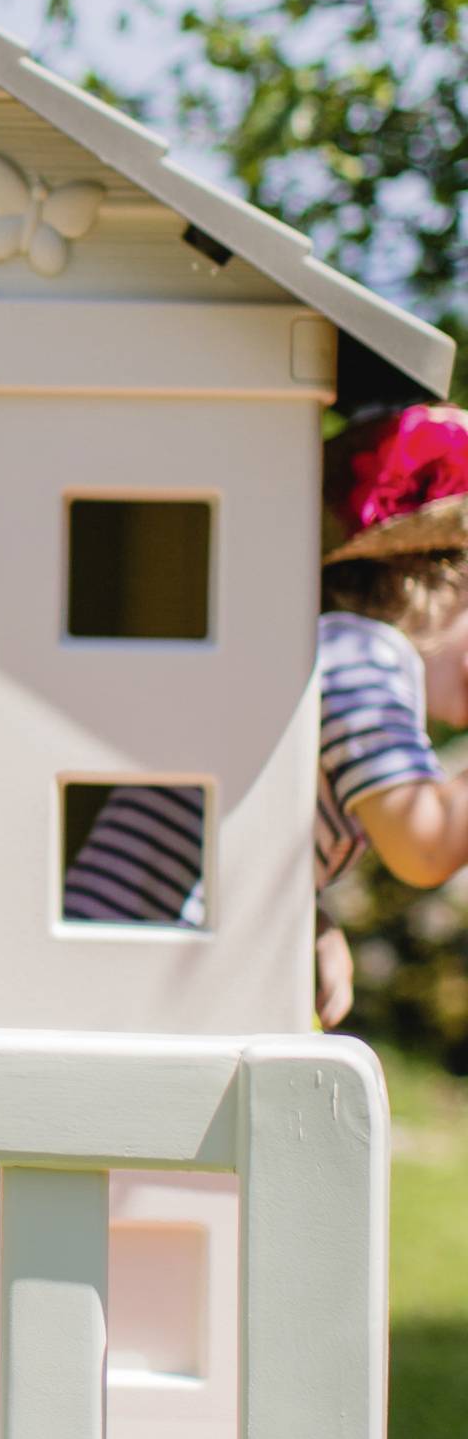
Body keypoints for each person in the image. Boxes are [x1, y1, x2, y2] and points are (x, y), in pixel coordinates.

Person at [63, 404, 468, 1020]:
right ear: (439, 583)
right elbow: (426, 846)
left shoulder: (325, 652)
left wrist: (307, 918)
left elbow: (231, 841)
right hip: (122, 987)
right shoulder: (363, 653)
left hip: (119, 965)